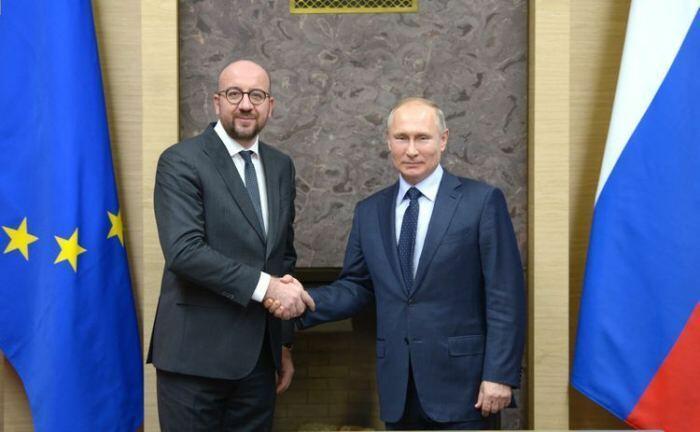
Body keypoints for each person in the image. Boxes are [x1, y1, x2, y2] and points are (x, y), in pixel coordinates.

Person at [267, 97, 526, 430]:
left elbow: (505, 296)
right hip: (398, 390)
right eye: (402, 138)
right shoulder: (369, 211)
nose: (412, 150)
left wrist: (499, 374)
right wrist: (302, 302)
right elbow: (357, 287)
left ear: (443, 140)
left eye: (422, 138)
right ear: (388, 142)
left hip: (466, 389)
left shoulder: (481, 202)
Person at [148, 59, 314, 432]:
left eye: (257, 95)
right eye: (234, 94)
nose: (245, 104)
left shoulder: (280, 166)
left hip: (258, 362)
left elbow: (283, 256)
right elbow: (184, 252)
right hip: (194, 361)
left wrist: (283, 344)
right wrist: (267, 288)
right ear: (217, 102)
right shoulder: (180, 161)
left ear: (270, 105)